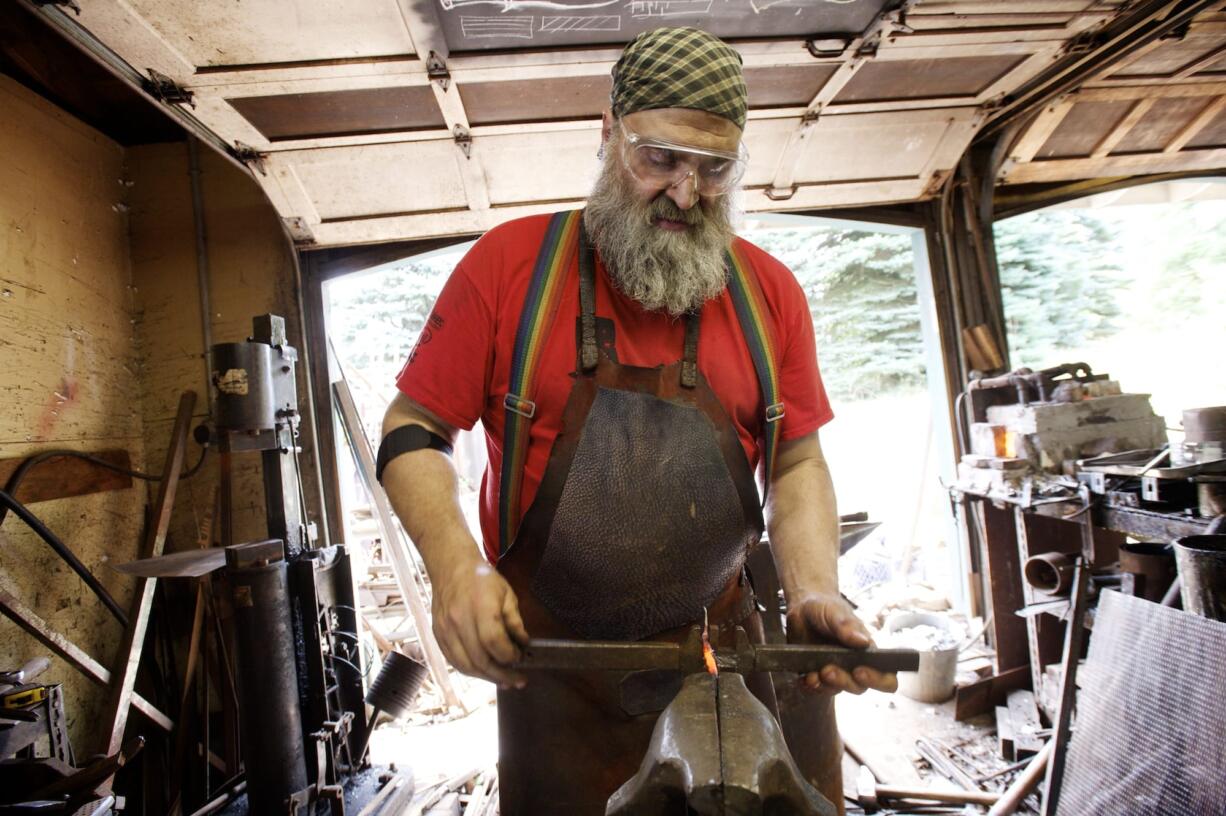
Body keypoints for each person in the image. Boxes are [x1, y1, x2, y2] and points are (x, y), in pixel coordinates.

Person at [378, 26, 897, 815]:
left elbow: (797, 461)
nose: (687, 193)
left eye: (714, 168)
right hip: (555, 677)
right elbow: (412, 428)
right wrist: (456, 568)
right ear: (608, 136)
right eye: (660, 158)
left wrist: (816, 587)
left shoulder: (769, 296)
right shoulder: (509, 270)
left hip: (723, 654)